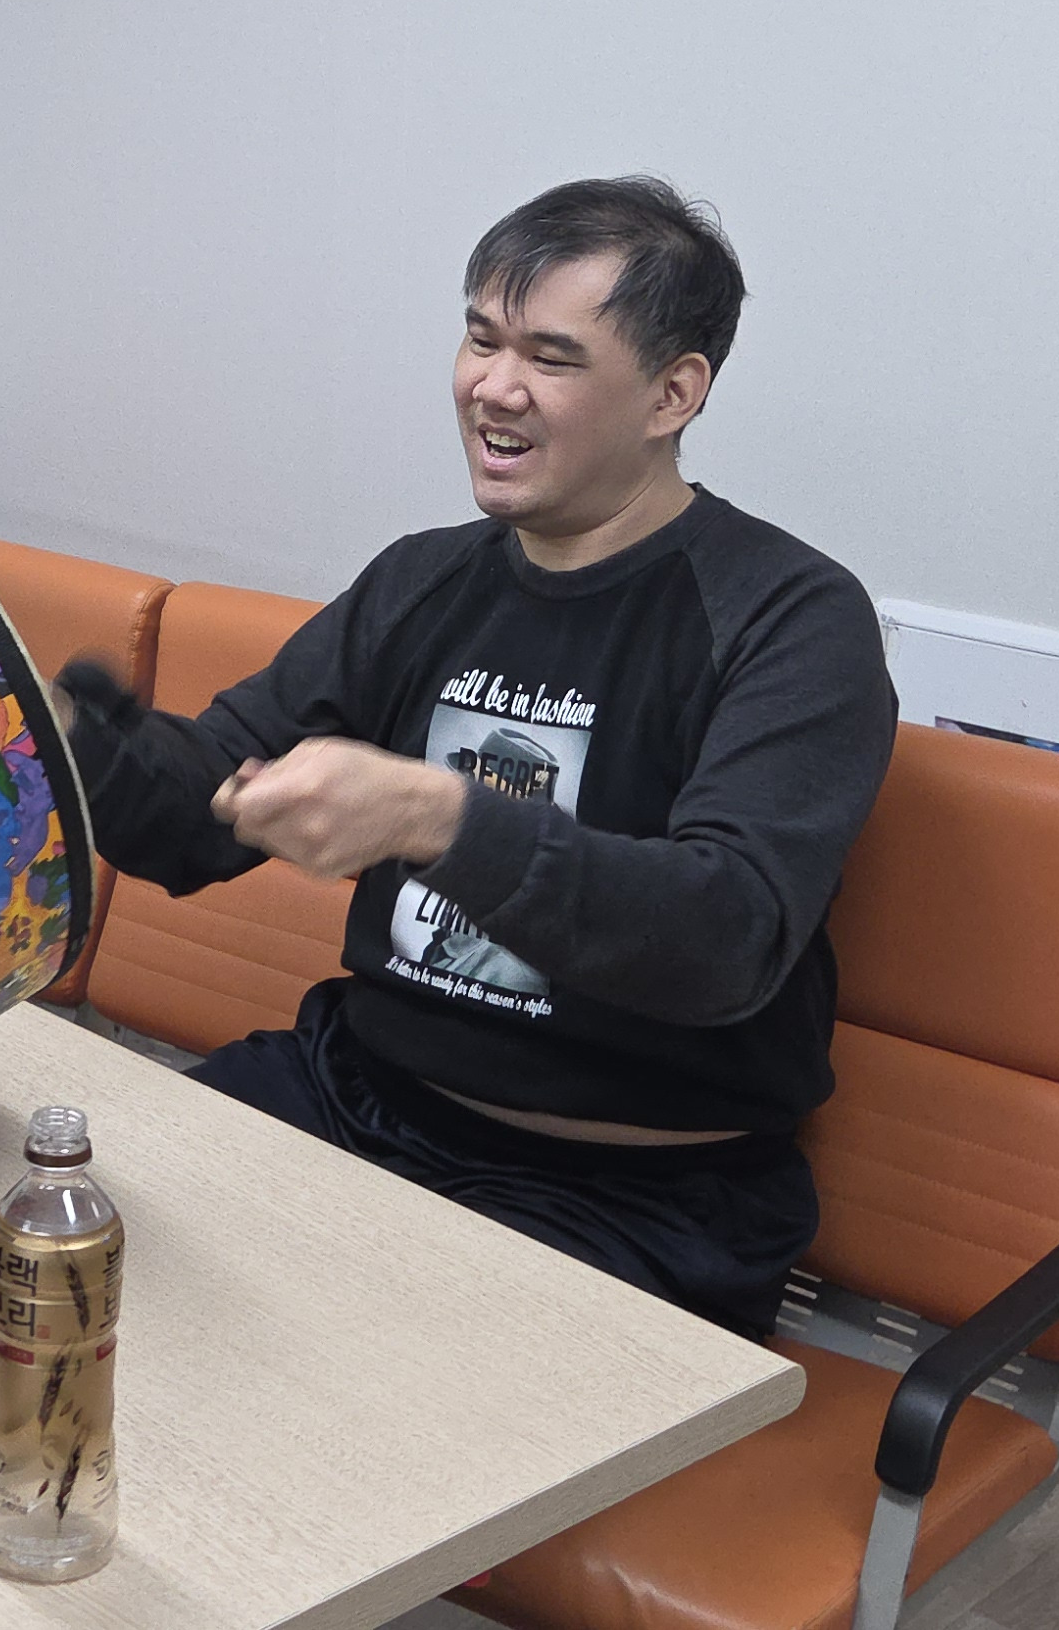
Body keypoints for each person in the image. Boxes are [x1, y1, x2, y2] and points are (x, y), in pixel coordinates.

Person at [56, 177, 896, 1339]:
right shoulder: (422, 579)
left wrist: (439, 817)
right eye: (481, 337)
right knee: (53, 1248)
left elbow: (725, 934)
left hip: (631, 1196)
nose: (492, 386)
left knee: (328, 1388)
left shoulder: (790, 616)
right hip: (358, 1096)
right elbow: (200, 816)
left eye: (551, 356)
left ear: (672, 392)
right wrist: (58, 742)